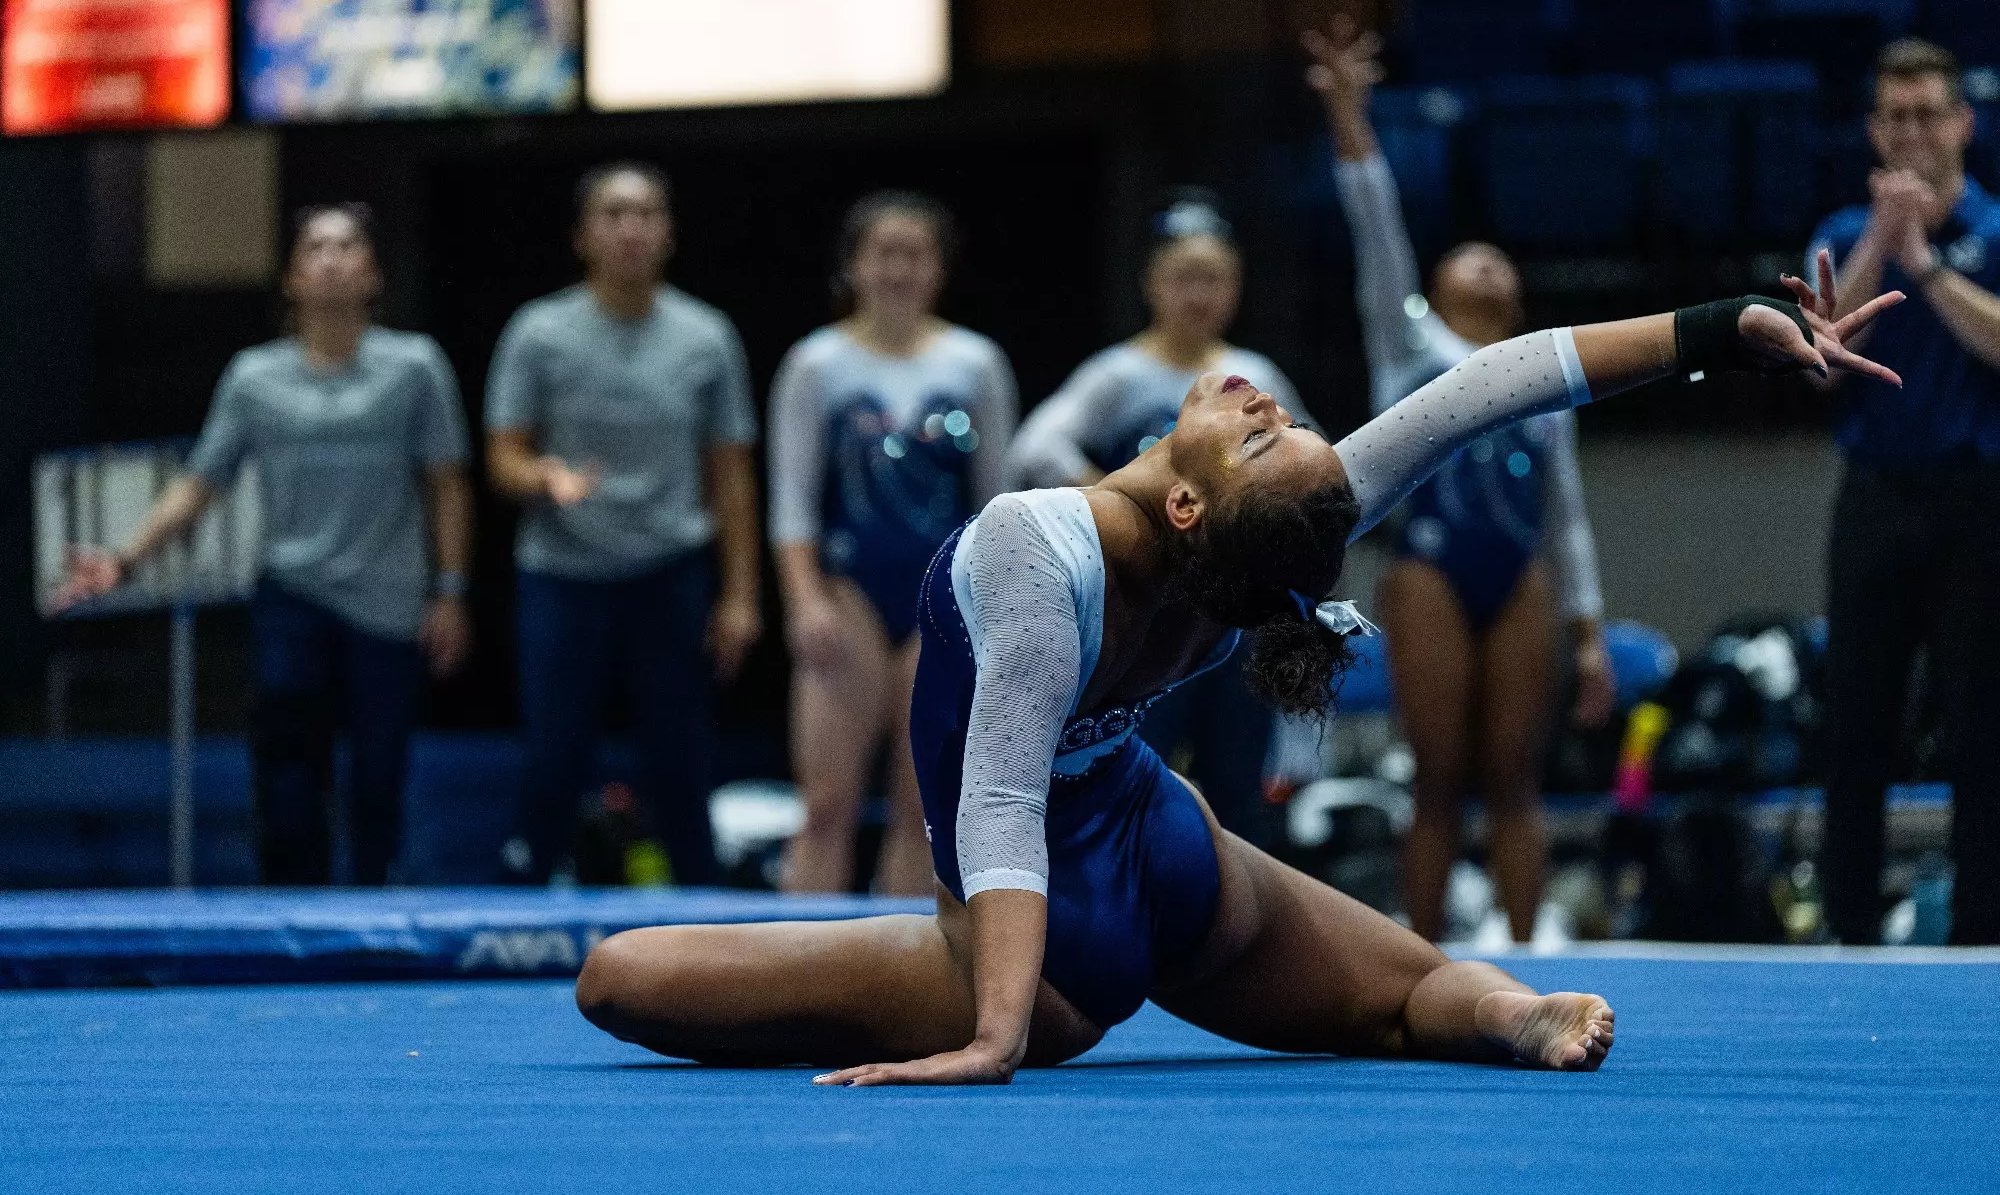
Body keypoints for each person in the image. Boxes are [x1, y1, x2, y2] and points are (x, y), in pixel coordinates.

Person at [572, 273, 1900, 1083]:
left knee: (620, 978)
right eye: (1284, 425)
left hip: (1042, 955)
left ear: (1200, 507)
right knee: (1404, 997)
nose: (1271, 410)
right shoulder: (1286, 537)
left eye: (1269, 438)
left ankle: (1509, 1014)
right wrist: (1728, 325)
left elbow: (998, 812)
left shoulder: (1039, 542)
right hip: (1174, 859)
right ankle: (1509, 1015)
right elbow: (1496, 385)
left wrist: (994, 1030)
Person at [1305, 16, 1615, 944]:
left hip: (1518, 572)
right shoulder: (1408, 349)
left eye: (1499, 258)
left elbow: (1567, 515)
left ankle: (1523, 955)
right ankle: (1424, 957)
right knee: (1438, 772)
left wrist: (1589, 635)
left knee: (1515, 775)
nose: (1485, 257)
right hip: (1430, 572)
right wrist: (1351, 118)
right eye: (1466, 254)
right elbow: (1375, 228)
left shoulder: (1540, 379)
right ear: (1434, 288)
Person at [56, 204, 474, 885]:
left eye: (348, 247)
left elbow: (447, 483)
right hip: (293, 593)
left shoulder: (416, 367)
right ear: (291, 278)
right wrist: (125, 558)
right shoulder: (255, 377)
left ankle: (377, 915)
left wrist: (450, 590)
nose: (333, 259)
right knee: (285, 775)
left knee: (379, 774)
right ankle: (291, 915)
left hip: (390, 598)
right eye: (317, 247)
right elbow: (200, 482)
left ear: (373, 275)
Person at [1005, 190, 1310, 848]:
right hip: (1146, 613)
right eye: (1183, 278)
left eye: (1214, 279)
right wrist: (1118, 506)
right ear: (1152, 284)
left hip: (1230, 614)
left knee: (1237, 785)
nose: (1198, 295)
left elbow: (1312, 475)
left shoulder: (1253, 375)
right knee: (1129, 772)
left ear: (1236, 286)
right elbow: (1034, 449)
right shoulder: (1119, 375)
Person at [486, 162, 761, 887]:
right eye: (612, 214)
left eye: (646, 214)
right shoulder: (538, 332)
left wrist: (740, 595)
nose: (630, 228)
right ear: (583, 236)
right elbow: (503, 456)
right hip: (562, 570)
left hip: (670, 570)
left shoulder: (707, 336)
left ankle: (705, 912)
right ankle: (518, 918)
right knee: (553, 754)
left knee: (680, 756)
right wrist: (542, 478)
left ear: (668, 234)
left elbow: (731, 473)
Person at [768, 192, 1018, 896]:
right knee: (824, 805)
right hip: (847, 596)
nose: (898, 269)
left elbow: (999, 500)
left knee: (922, 811)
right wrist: (804, 600)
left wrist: (992, 607)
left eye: (915, 254)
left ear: (939, 268)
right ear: (854, 266)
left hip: (943, 599)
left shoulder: (976, 365)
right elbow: (790, 500)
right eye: (883, 253)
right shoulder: (816, 365)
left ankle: (898, 985)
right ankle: (803, 973)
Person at [1807, 38, 2000, 946]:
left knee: (1981, 725)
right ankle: (1847, 924)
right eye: (1897, 115)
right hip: (1877, 494)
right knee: (1858, 720)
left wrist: (1926, 263)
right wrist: (1885, 243)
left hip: (1977, 500)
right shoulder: (1843, 236)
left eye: (1930, 112)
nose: (1914, 131)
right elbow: (1819, 362)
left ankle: (1980, 933)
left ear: (1964, 122)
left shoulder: (1995, 228)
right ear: (1875, 130)